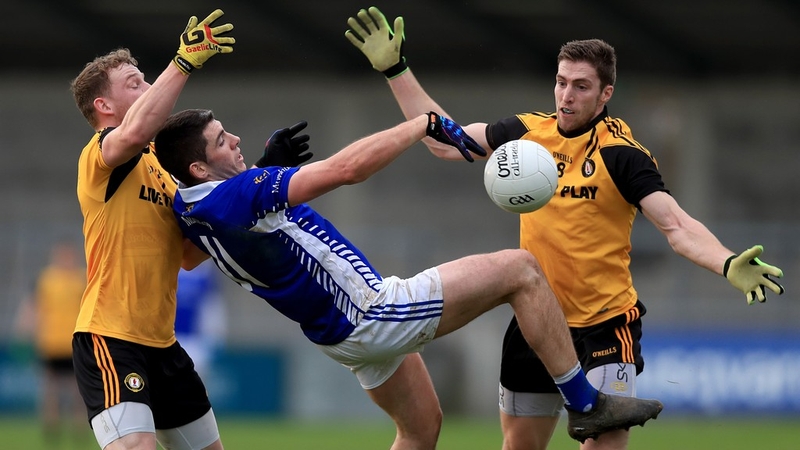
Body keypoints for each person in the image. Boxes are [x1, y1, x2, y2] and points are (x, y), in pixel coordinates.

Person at [345, 6, 787, 450]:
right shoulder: (527, 134)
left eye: (581, 86)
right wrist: (396, 70)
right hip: (535, 320)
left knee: (605, 445)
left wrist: (726, 262)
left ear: (605, 93)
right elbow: (444, 141)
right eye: (561, 83)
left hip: (605, 327)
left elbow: (675, 225)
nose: (566, 96)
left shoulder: (623, 155)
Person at [153, 107, 663, 449]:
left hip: (340, 337)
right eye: (222, 140)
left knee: (421, 430)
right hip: (373, 313)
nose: (235, 138)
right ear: (199, 167)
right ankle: (585, 403)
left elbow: (193, 256)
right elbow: (348, 169)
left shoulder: (190, 206)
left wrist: (265, 168)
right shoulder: (239, 194)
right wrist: (420, 124)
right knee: (523, 270)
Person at [69, 9, 236, 450]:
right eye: (134, 83)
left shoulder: (162, 172)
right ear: (104, 107)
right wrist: (181, 63)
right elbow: (134, 130)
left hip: (164, 346)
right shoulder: (101, 156)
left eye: (146, 80)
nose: (147, 88)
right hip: (110, 338)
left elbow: (188, 255)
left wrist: (257, 186)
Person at [14, 240, 87, 448]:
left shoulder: (81, 279)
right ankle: (51, 432)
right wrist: (24, 329)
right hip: (50, 343)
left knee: (77, 391)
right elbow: (32, 305)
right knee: (51, 389)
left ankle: (79, 431)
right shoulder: (46, 279)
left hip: (75, 343)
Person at [175, 260, 227, 379]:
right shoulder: (168, 265)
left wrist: (215, 339)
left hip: (195, 345)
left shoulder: (206, 271)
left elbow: (212, 305)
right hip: (168, 341)